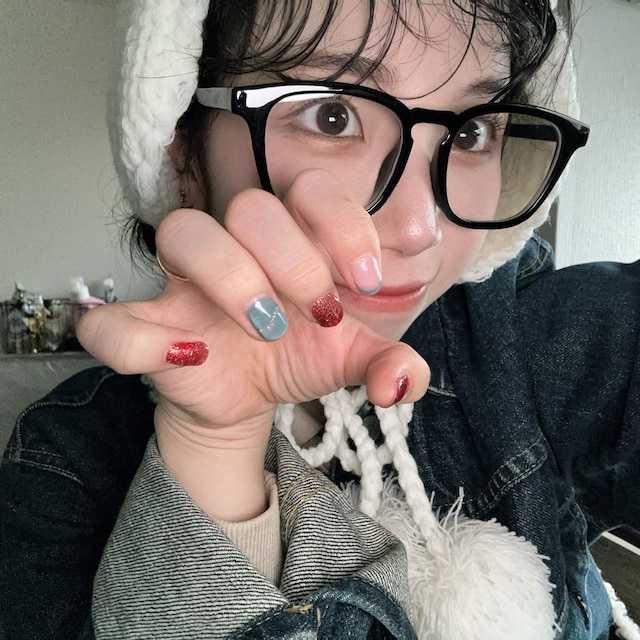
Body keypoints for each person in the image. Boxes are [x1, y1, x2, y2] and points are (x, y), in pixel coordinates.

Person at [1, 0, 639, 638]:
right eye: (332, 115)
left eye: (472, 133)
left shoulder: (532, 338)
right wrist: (213, 450)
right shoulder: (64, 465)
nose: (420, 228)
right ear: (183, 150)